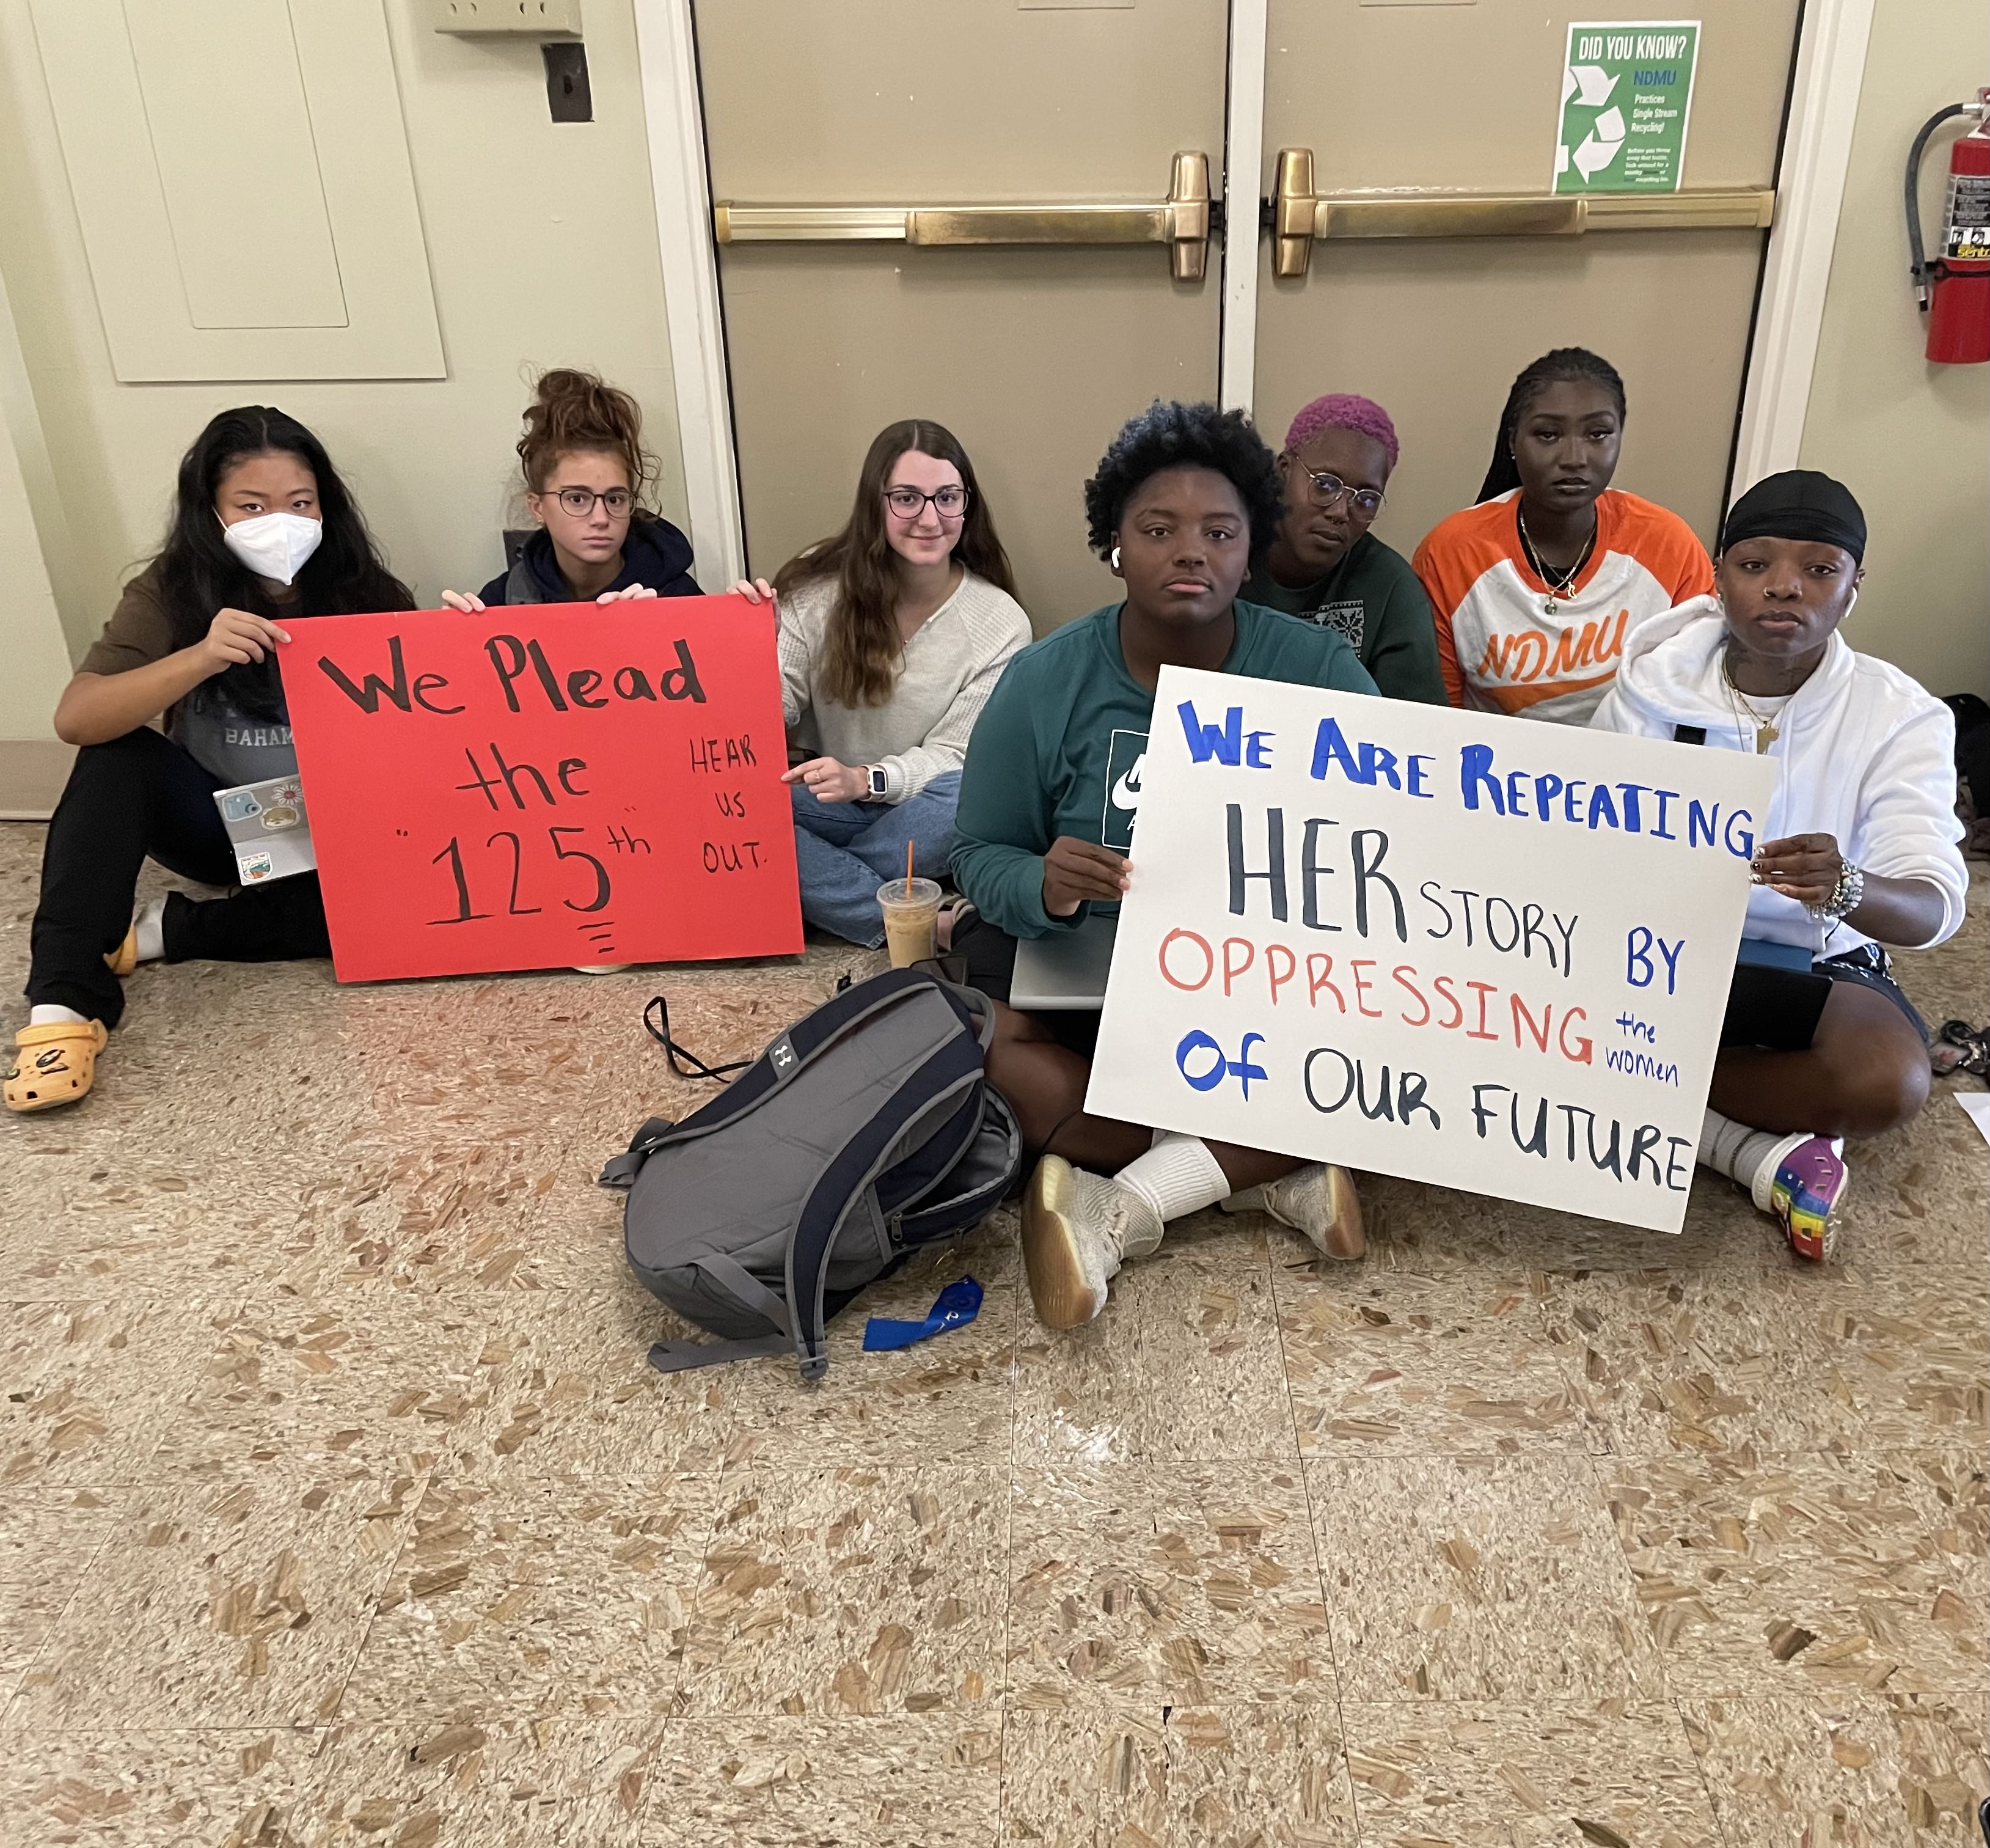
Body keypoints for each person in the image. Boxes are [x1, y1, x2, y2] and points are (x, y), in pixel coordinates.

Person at [949, 401, 1378, 1331]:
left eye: (1221, 532)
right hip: (1091, 970)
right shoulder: (1045, 681)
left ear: (1253, 546)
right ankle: (1257, 1172)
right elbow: (977, 853)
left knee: (1390, 1063)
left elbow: (1399, 840)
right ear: (1113, 546)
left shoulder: (1319, 675)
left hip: (1265, 986)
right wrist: (1043, 885)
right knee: (980, 1044)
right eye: (1158, 529)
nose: (1192, 552)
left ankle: (1126, 1208)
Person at [1592, 470, 1966, 1260]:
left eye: (1818, 570)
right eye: (1755, 565)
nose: (1784, 588)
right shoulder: (1650, 689)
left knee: (1891, 1079)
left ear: (1854, 586)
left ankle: (1632, 1082)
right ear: (1719, 574)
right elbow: (1584, 830)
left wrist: (1848, 888)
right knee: (1492, 1010)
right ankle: (1753, 1148)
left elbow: (1933, 903)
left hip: (1810, 961)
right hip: (1656, 947)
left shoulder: (1899, 716)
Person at [5, 408, 413, 1112]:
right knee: (116, 754)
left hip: (334, 843)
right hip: (217, 828)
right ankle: (62, 1005)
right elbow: (77, 718)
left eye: (299, 504)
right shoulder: (171, 591)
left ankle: (170, 930)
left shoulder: (370, 595)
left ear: (327, 508)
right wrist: (197, 657)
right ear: (212, 512)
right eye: (251, 507)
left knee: (398, 912)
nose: (278, 523)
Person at [728, 419, 1030, 948]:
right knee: (742, 808)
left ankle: (816, 892)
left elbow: (958, 756)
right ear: (877, 504)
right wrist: (745, 642)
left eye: (947, 498)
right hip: (823, 800)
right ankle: (913, 920)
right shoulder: (817, 590)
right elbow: (762, 719)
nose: (930, 518)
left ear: (967, 506)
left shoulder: (999, 621)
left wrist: (866, 780)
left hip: (925, 808)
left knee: (972, 800)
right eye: (907, 499)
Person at [1414, 347, 1712, 725]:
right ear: (1512, 443)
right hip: (1487, 772)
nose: (1574, 457)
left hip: (1630, 775)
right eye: (1548, 434)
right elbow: (1437, 717)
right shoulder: (1451, 552)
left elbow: (1694, 702)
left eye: (1598, 434)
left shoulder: (1669, 544)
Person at [1242, 392, 1446, 703]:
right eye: (1324, 485)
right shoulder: (1226, 554)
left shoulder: (1390, 587)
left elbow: (1415, 728)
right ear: (1284, 470)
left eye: (1365, 499)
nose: (1340, 512)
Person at [441, 369, 698, 612]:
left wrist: (736, 624)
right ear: (537, 507)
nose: (601, 518)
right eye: (577, 499)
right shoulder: (503, 600)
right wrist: (452, 644)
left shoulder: (676, 596)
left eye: (615, 499)